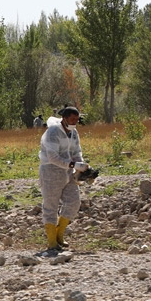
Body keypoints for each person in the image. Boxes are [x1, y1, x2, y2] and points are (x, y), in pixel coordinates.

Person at [38, 106, 87, 255]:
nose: (75, 122)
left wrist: (82, 166)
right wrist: (73, 164)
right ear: (64, 118)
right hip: (51, 172)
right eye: (72, 119)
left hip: (68, 171)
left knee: (74, 201)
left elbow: (76, 152)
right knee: (51, 205)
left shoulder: (74, 133)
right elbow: (52, 157)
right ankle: (52, 241)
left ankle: (60, 233)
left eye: (77, 120)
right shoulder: (53, 132)